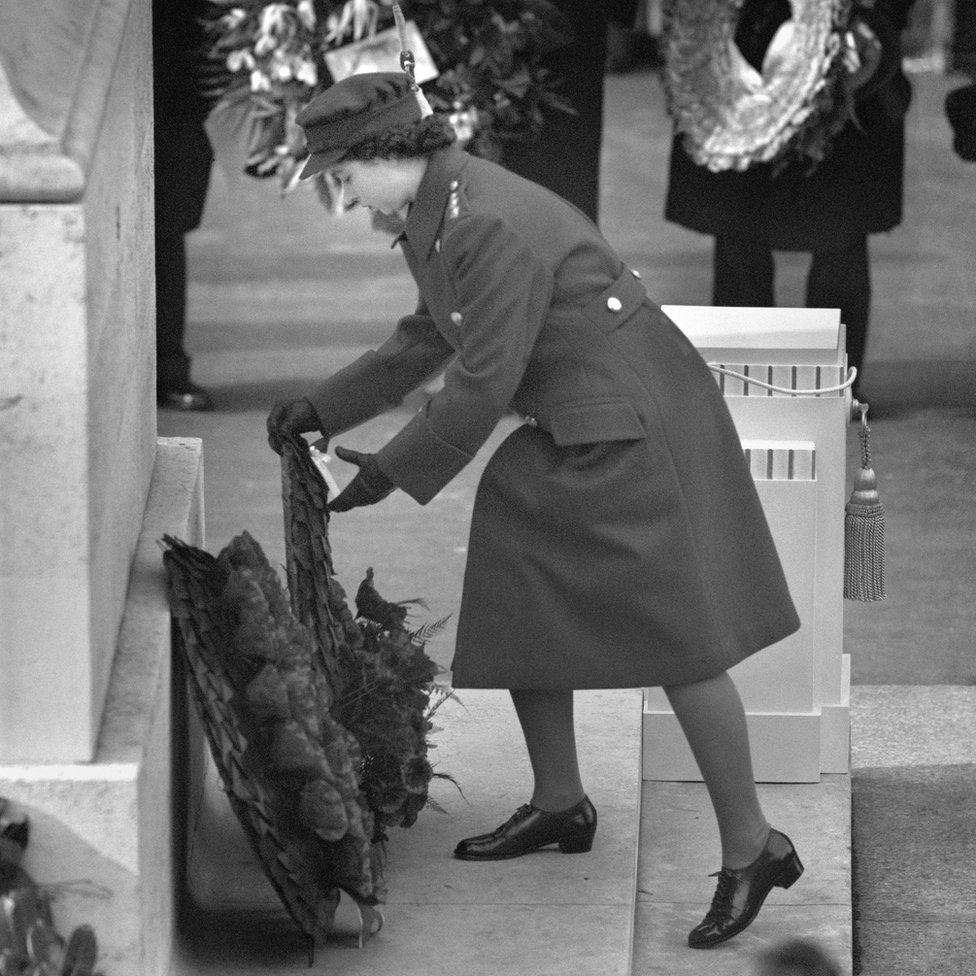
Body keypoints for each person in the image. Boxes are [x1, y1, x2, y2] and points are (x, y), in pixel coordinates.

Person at [267, 71, 804, 949]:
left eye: (340, 172)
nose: (341, 191)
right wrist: (326, 406)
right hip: (580, 416)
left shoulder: (482, 222)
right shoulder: (437, 210)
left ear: (384, 154)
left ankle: (755, 847)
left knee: (682, 634)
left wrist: (380, 476)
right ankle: (561, 802)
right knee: (517, 558)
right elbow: (428, 336)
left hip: (632, 423)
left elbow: (482, 385)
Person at [664, 0, 917, 397]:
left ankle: (834, 387)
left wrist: (877, 18)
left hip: (845, 32)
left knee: (838, 225)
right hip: (740, 34)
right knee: (740, 218)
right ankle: (743, 378)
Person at [152, 0, 218, 410]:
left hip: (181, 84)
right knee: (163, 232)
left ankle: (167, 366)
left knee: (166, 229)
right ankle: (165, 366)